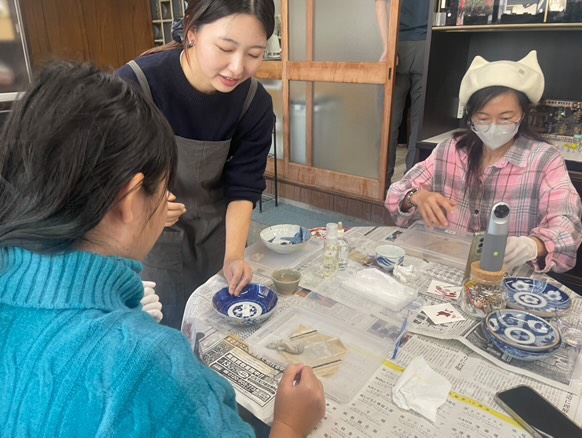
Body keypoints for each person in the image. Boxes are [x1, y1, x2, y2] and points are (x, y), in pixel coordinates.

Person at [0, 61, 325, 436]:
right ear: (129, 200)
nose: (237, 66)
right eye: (164, 188)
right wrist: (289, 423)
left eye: (254, 52)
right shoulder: (149, 367)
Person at [116, 0, 276, 329]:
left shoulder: (253, 102)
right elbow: (103, 173)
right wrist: (145, 201)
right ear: (192, 33)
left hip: (219, 229)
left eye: (254, 54)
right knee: (166, 328)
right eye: (225, 48)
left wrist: (234, 255)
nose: (237, 68)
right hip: (153, 236)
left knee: (221, 323)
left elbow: (244, 186)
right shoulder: (137, 85)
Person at [385, 50, 582, 273]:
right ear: (470, 117)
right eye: (483, 118)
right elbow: (395, 193)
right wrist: (415, 196)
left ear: (523, 115)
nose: (493, 126)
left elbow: (567, 223)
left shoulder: (544, 159)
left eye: (506, 118)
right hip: (448, 265)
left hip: (506, 274)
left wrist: (531, 246)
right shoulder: (451, 151)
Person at [375, 0, 431, 185]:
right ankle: (412, 184)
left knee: (387, 122)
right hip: (428, 41)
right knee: (419, 124)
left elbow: (380, 4)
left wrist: (387, 46)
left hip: (397, 41)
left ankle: (382, 183)